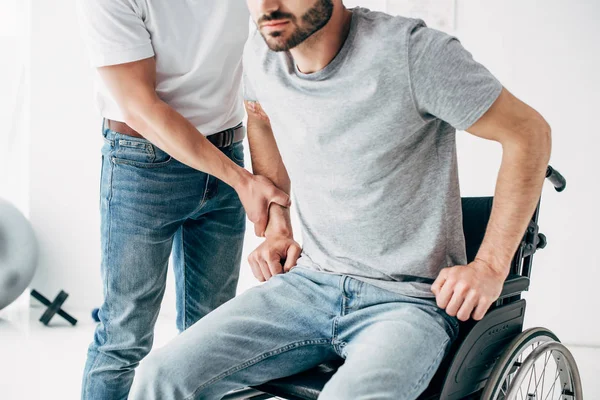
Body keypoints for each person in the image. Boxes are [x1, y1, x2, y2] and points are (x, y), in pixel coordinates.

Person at [129, 1, 552, 399]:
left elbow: (528, 133)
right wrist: (279, 223)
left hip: (407, 301)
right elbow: (259, 116)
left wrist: (491, 266)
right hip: (307, 284)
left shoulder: (412, 53)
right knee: (160, 376)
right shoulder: (262, 53)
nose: (266, 6)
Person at [76, 0, 291, 398]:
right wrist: (241, 181)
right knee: (125, 336)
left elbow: (268, 83)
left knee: (208, 336)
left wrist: (276, 208)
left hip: (230, 151)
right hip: (143, 166)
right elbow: (141, 108)